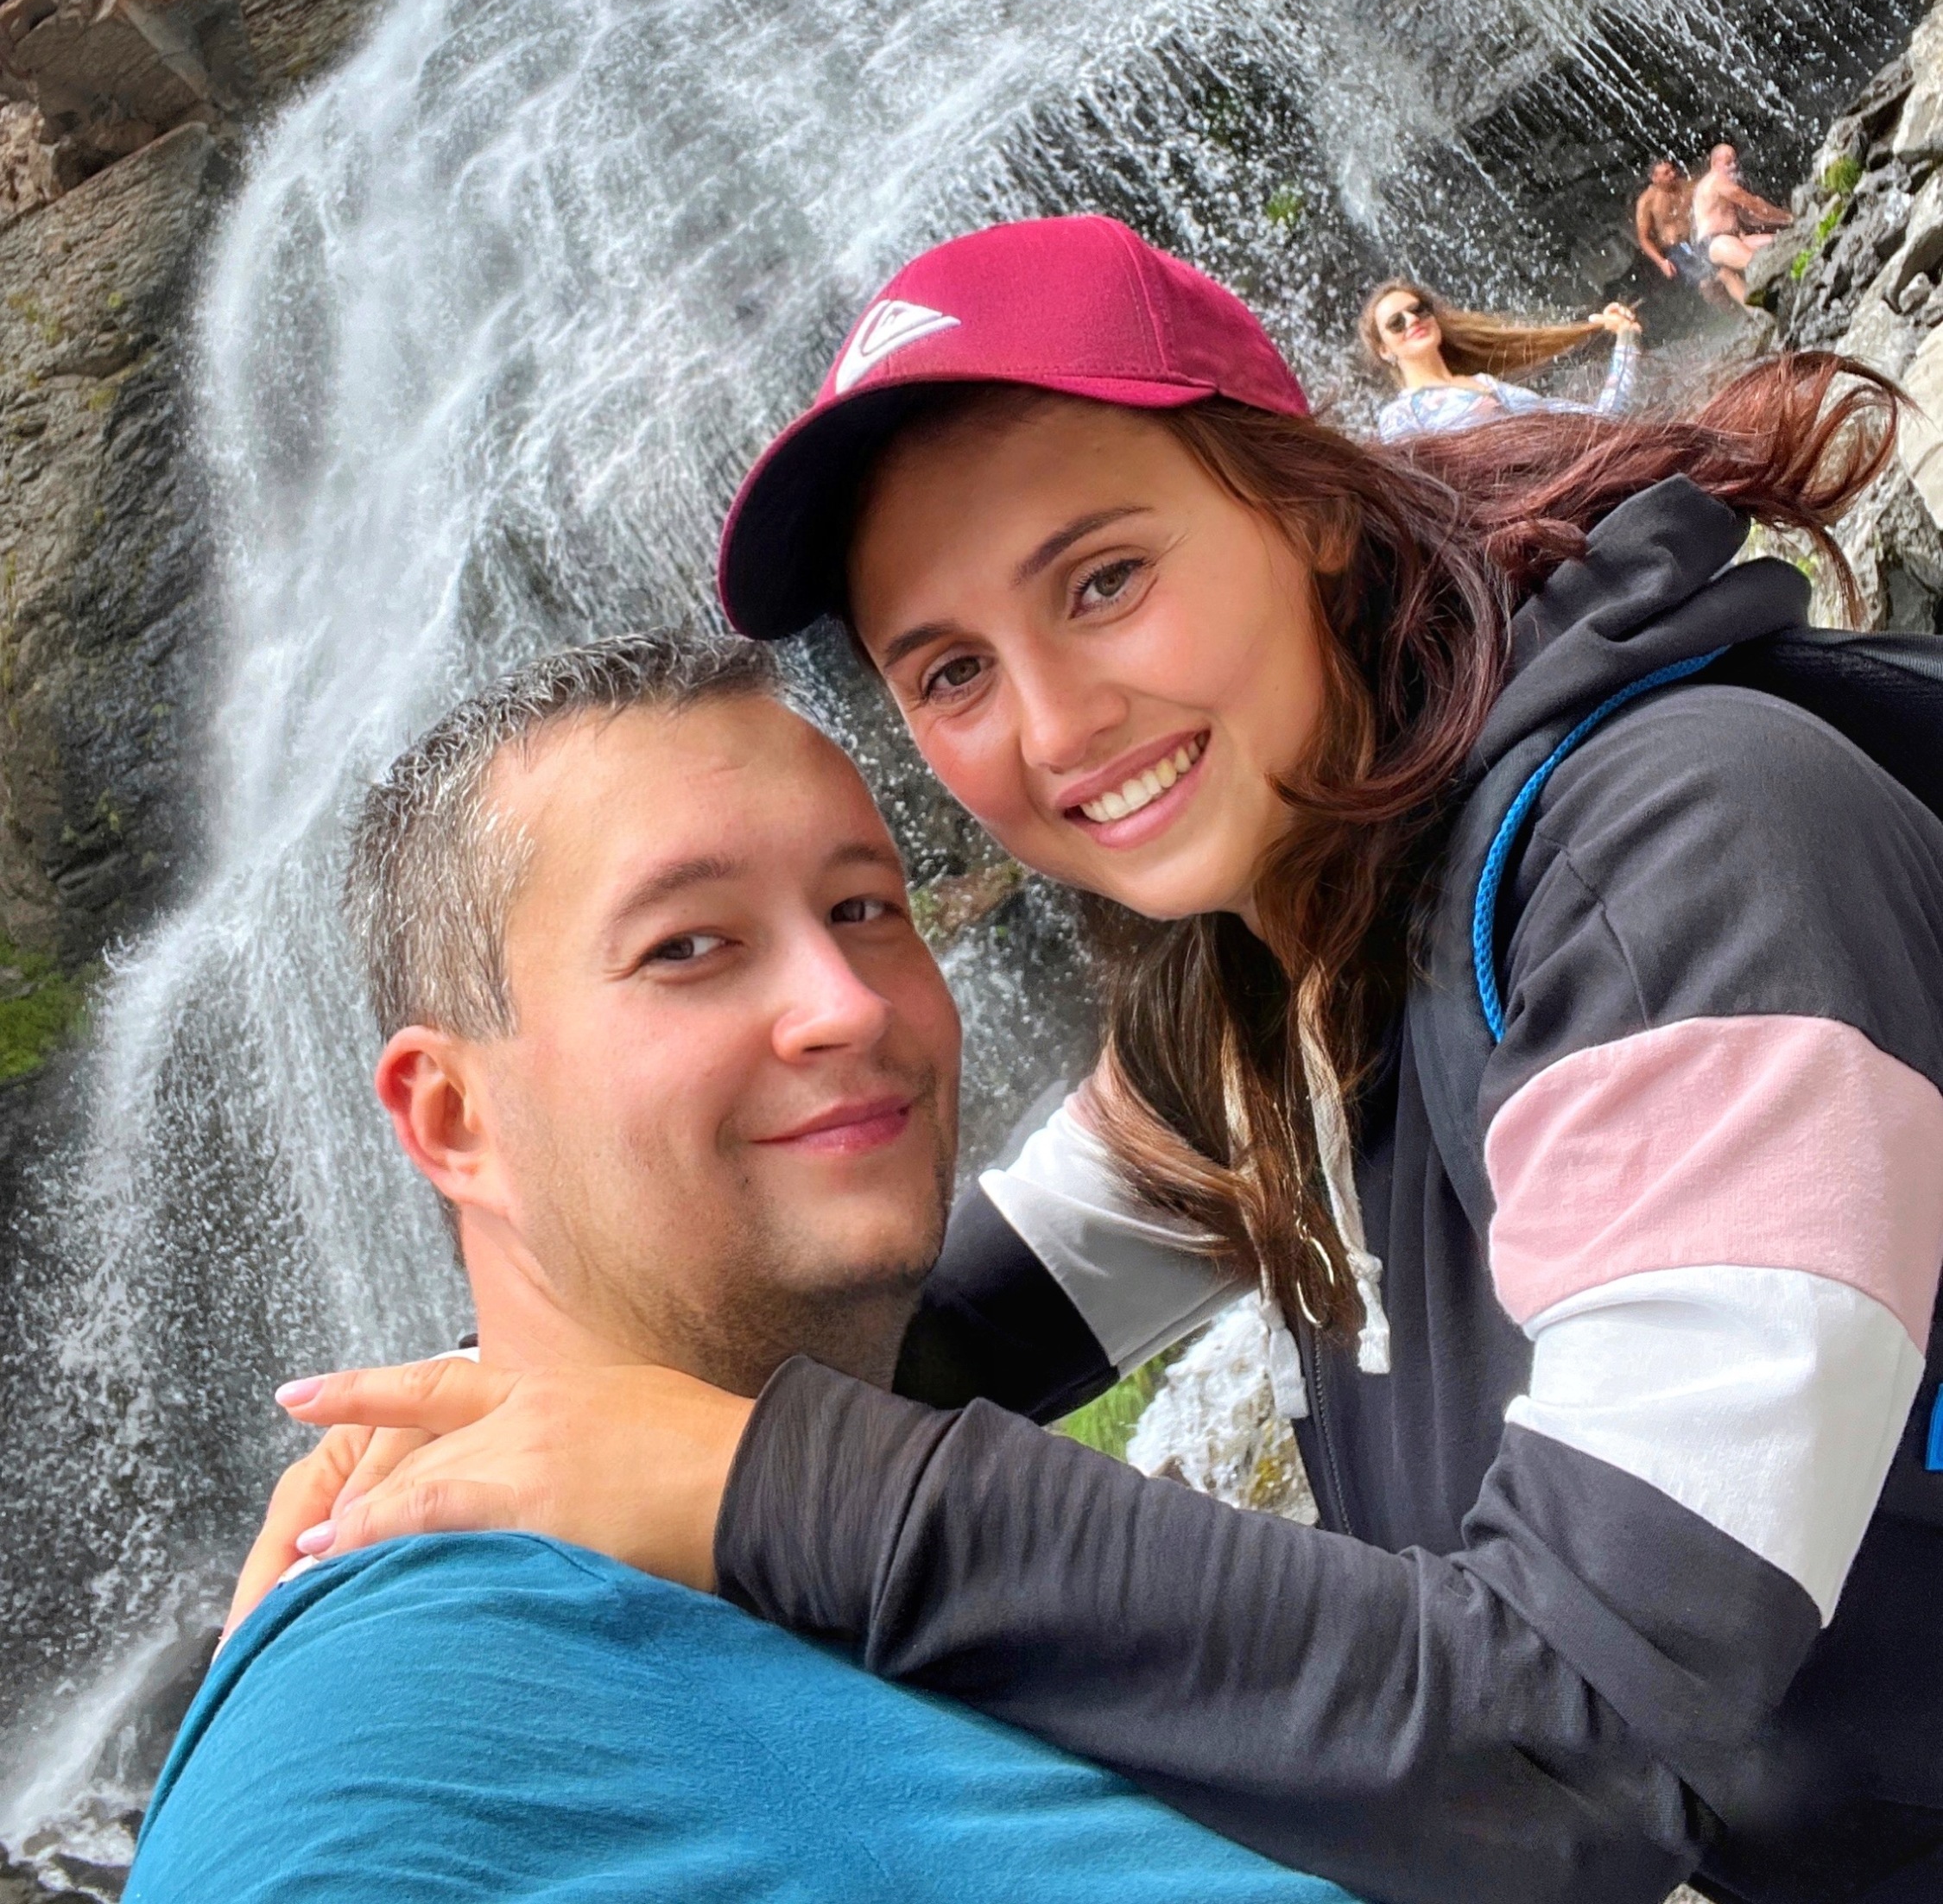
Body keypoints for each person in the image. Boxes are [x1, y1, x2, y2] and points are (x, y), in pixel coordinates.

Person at [241, 219, 1943, 1904]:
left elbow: (1585, 1736)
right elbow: (923, 1321)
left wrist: (751, 1489)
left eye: (1104, 580)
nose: (1055, 728)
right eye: (953, 671)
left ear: (1311, 508)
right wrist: (477, 1426)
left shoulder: (1683, 860)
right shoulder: (1265, 988)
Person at [133, 634, 1352, 1904]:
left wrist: (743, 1466)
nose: (847, 1004)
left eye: (864, 908)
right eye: (685, 946)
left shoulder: (809, 1510)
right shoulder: (385, 1730)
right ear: (452, 1120)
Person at [1361, 276, 1640, 440]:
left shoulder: (1486, 385)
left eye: (1419, 310)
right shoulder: (1399, 417)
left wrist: (1626, 339)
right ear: (1384, 350)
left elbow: (1602, 421)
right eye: (1396, 323)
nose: (1412, 320)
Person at [1688, 139, 1792, 304]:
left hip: (1731, 239)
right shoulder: (1716, 179)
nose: (1734, 166)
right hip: (1715, 242)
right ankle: (1782, 302)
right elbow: (1755, 206)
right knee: (1761, 265)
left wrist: (1783, 224)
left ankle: (1762, 313)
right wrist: (1789, 218)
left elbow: (1751, 216)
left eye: (1735, 161)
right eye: (1728, 162)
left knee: (1781, 242)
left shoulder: (1718, 183)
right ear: (1715, 163)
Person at [1633, 155, 1713, 292]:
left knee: (1723, 272)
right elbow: (1643, 238)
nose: (1673, 174)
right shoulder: (1647, 201)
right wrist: (1661, 262)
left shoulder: (1687, 186)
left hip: (1696, 238)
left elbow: (1711, 193)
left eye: (1672, 170)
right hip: (1675, 249)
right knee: (1706, 284)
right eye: (1666, 173)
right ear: (1655, 178)